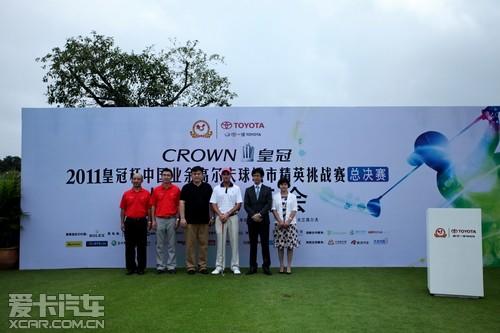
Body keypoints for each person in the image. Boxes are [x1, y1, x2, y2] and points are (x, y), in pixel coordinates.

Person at [179, 166, 214, 274]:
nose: (196, 176)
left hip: (204, 221)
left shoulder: (208, 187)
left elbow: (212, 204)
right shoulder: (186, 188)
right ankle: (191, 266)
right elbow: (181, 203)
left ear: (202, 175)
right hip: (190, 221)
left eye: (199, 174)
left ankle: (202, 266)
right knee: (190, 245)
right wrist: (182, 218)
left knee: (203, 245)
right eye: (194, 174)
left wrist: (212, 216)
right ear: (191, 175)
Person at [210, 168, 243, 275]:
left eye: (227, 174)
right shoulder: (216, 189)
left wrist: (227, 214)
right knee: (220, 242)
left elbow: (238, 204)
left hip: (232, 217)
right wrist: (220, 214)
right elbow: (213, 204)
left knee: (234, 242)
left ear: (230, 175)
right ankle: (219, 266)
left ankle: (235, 266)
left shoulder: (236, 188)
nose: (225, 176)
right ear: (221, 176)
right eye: (223, 174)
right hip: (220, 218)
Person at [119, 172, 151, 275]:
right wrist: (122, 222)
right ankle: (131, 268)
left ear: (142, 180)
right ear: (131, 180)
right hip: (129, 222)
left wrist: (150, 221)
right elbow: (123, 209)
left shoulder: (146, 193)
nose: (136, 181)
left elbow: (149, 209)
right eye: (134, 179)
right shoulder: (126, 194)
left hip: (142, 221)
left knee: (142, 246)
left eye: (138, 179)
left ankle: (141, 268)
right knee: (129, 246)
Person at [151, 168, 181, 274]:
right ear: (161, 176)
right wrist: (153, 220)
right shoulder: (156, 190)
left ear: (171, 177)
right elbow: (153, 206)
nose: (166, 177)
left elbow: (178, 205)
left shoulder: (176, 189)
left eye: (168, 175)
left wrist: (178, 218)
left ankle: (171, 266)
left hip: (171, 219)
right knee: (159, 245)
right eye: (164, 175)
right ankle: (160, 266)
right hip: (159, 219)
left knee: (171, 244)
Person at [244, 167, 273, 275]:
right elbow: (246, 205)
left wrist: (260, 214)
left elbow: (269, 204)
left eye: (258, 175)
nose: (256, 177)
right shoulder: (248, 190)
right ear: (252, 177)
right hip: (252, 221)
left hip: (263, 220)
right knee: (253, 244)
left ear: (261, 177)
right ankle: (252, 267)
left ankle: (266, 266)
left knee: (265, 244)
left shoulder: (267, 189)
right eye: (254, 175)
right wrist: (253, 215)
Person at [271, 177, 299, 274]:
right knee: (280, 246)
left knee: (290, 247)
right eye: (282, 184)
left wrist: (288, 221)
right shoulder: (275, 196)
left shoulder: (293, 196)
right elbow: (273, 209)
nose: (284, 186)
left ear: (288, 186)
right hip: (279, 225)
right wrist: (280, 221)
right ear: (279, 185)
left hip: (290, 225)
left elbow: (294, 209)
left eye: (285, 184)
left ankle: (289, 266)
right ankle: (281, 266)